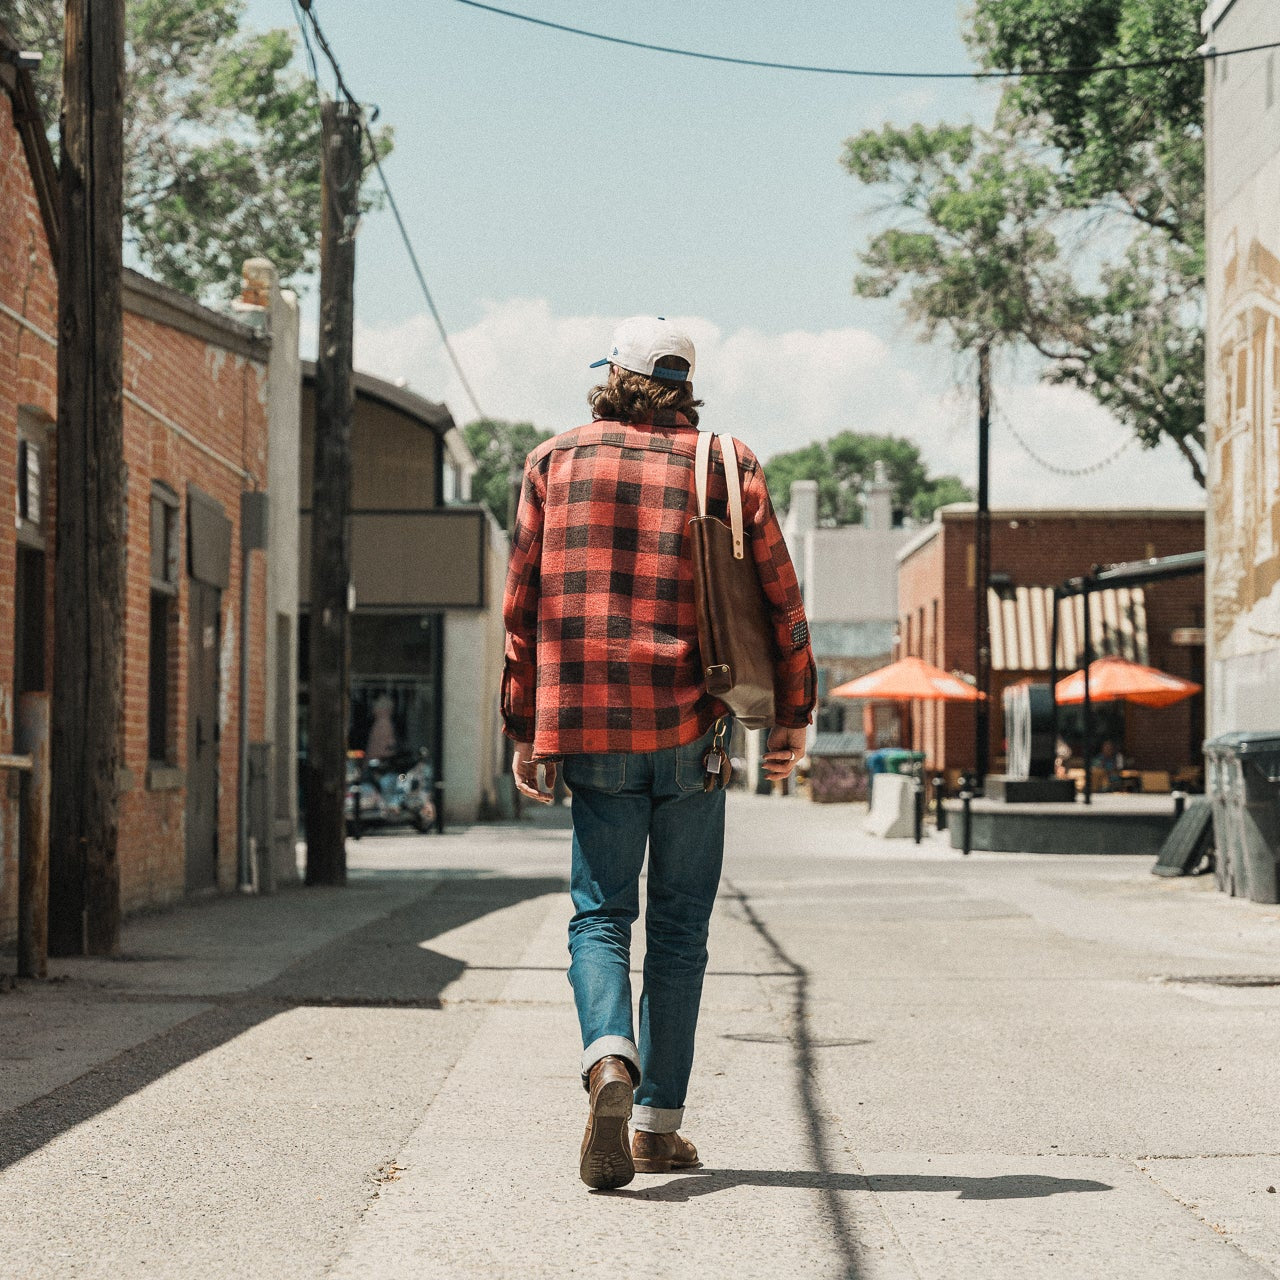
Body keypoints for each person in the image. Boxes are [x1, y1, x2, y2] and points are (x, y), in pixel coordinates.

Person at [502, 316, 816, 1190]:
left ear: (612, 376)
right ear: (684, 386)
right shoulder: (726, 461)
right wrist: (793, 712)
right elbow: (778, 592)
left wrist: (523, 725)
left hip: (590, 727)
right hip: (694, 728)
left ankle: (609, 1058)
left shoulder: (553, 461)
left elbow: (521, 604)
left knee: (601, 914)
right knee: (680, 930)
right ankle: (655, 1125)